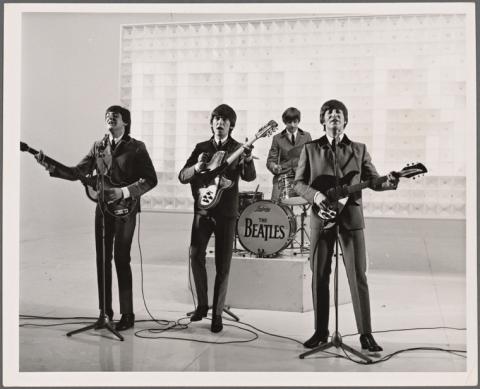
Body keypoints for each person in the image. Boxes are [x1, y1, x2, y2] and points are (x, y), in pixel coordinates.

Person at [36, 105, 157, 331]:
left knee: (121, 259)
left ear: (126, 122)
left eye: (115, 115)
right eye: (107, 116)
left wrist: (124, 192)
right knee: (102, 260)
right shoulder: (98, 147)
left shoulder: (137, 148)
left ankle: (127, 314)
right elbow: (76, 172)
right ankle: (105, 313)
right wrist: (50, 165)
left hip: (125, 211)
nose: (110, 117)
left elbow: (151, 179)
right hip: (102, 209)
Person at [294, 99, 399, 351]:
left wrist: (392, 181)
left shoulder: (359, 149)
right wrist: (317, 197)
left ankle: (366, 334)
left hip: (350, 219)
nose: (334, 116)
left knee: (358, 275)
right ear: (322, 120)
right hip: (321, 217)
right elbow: (298, 183)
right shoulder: (310, 149)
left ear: (345, 120)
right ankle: (320, 332)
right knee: (319, 276)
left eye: (339, 113)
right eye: (329, 113)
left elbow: (374, 181)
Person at [178, 104, 256, 333]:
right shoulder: (201, 147)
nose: (220, 123)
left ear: (231, 125)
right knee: (195, 255)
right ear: (211, 123)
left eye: (225, 120)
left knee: (223, 265)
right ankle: (202, 305)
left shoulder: (238, 148)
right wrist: (197, 166)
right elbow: (183, 176)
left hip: (226, 214)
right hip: (202, 212)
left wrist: (248, 159)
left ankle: (218, 314)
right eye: (217, 119)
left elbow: (249, 177)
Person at [266, 107, 312, 202]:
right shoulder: (277, 138)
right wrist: (274, 167)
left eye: (295, 122)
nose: (292, 125)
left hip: (301, 178)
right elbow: (270, 161)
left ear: (299, 121)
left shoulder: (307, 136)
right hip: (283, 176)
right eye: (289, 122)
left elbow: (311, 159)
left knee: (316, 200)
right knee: (275, 204)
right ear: (285, 122)